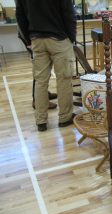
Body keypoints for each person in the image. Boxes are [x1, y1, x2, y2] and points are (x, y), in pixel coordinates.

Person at [16, 0, 77, 132]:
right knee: (64, 80)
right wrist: (71, 38)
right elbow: (69, 14)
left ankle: (41, 121)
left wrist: (28, 39)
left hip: (37, 39)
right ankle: (65, 118)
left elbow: (20, 16)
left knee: (40, 81)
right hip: (59, 39)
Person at [18, 31, 58, 110]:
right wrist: (29, 42)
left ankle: (43, 94)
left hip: (36, 35)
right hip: (34, 37)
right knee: (40, 70)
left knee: (42, 68)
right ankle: (37, 101)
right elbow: (21, 20)